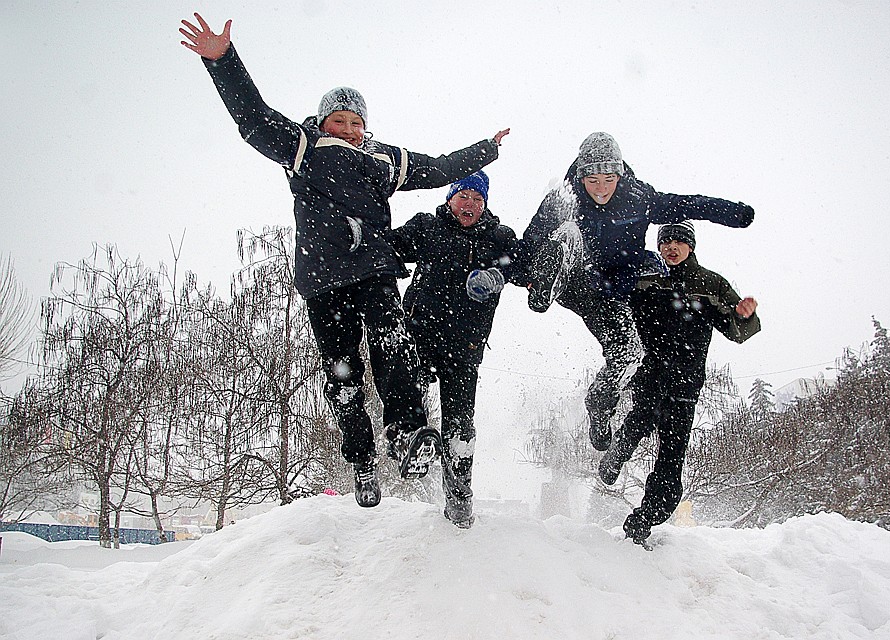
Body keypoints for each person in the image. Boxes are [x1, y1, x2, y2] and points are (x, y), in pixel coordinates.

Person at [179, 14, 510, 509]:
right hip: (325, 279)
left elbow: (439, 169)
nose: (351, 129)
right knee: (344, 373)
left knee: (393, 349)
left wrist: (485, 150)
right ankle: (361, 462)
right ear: (324, 121)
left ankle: (406, 434)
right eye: (341, 120)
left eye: (357, 122)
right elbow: (253, 119)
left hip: (374, 273)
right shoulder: (306, 148)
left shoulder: (384, 160)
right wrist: (222, 61)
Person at [519, 132, 755, 455]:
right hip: (575, 283)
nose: (601, 188)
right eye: (592, 179)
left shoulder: (637, 196)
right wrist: (524, 277)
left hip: (611, 294)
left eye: (608, 179)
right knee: (569, 233)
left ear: (619, 174)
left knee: (629, 352)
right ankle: (547, 283)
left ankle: (600, 404)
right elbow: (528, 243)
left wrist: (732, 213)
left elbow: (686, 204)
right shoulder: (563, 198)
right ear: (581, 175)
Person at [598, 221, 760, 547]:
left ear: (691, 246)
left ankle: (646, 518)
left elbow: (736, 331)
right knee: (639, 420)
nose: (671, 247)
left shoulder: (710, 284)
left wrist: (743, 316)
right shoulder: (646, 278)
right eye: (666, 242)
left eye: (678, 242)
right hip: (649, 375)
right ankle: (616, 454)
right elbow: (610, 300)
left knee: (671, 460)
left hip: (685, 385)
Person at [386, 171, 519, 528]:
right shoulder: (428, 227)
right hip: (420, 334)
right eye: (465, 197)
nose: (470, 205)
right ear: (451, 198)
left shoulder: (498, 236)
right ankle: (407, 441)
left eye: (478, 200)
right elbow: (389, 246)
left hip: (465, 345)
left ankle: (459, 498)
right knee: (403, 387)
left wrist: (496, 275)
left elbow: (520, 263)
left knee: (460, 424)